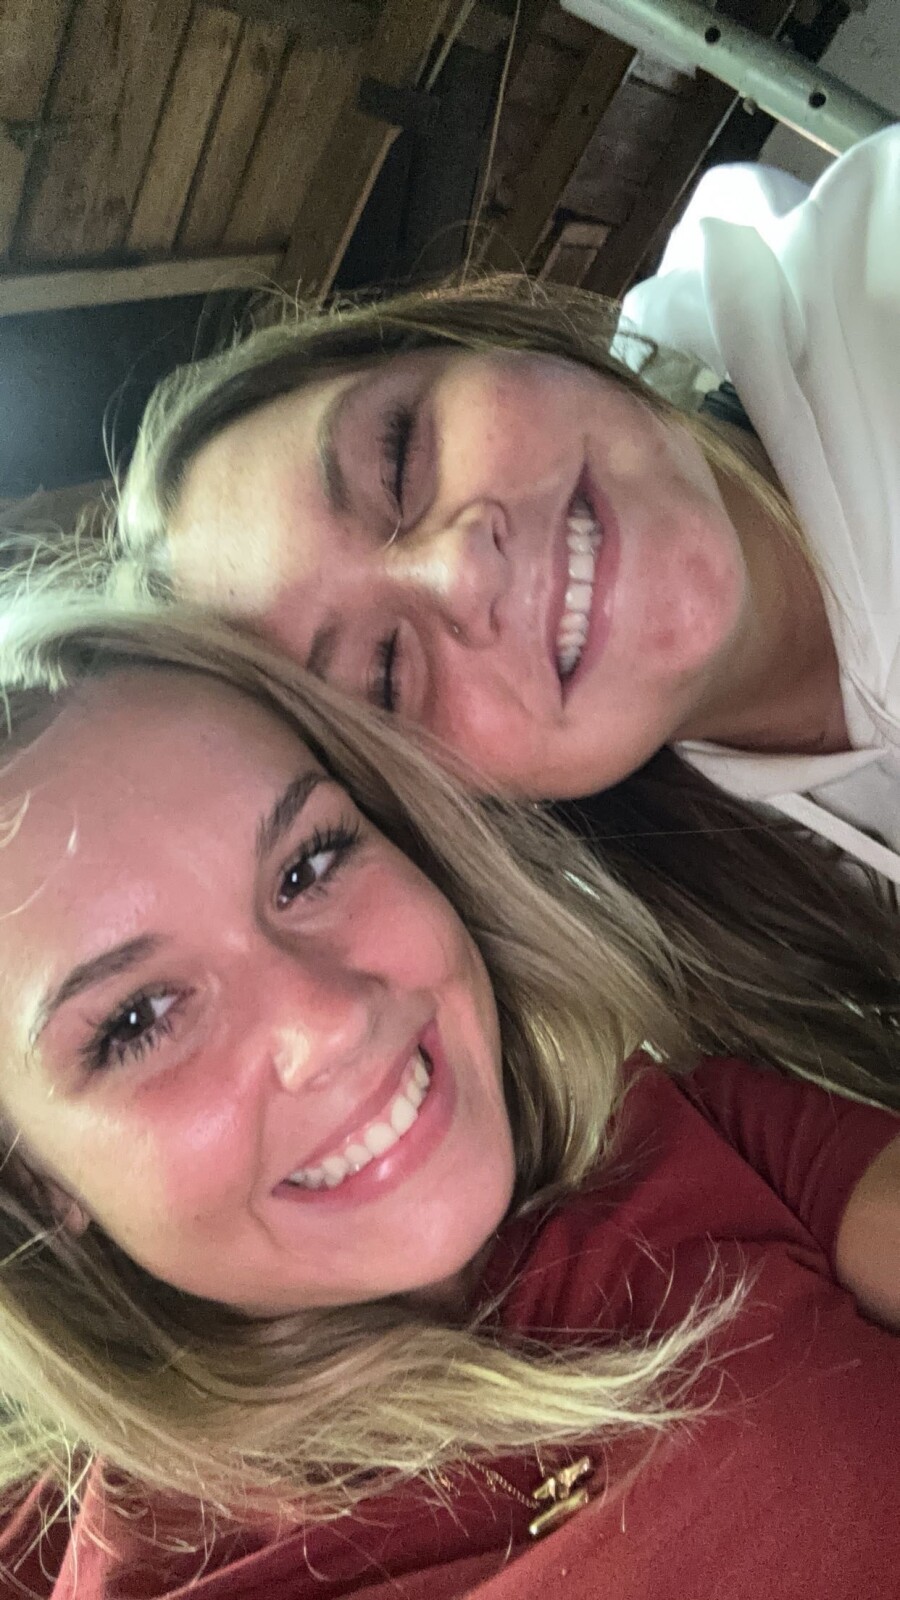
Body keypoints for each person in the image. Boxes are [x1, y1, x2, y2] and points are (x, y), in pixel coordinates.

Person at [0, 594, 896, 1600]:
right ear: (34, 1181)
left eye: (307, 866)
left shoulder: (682, 1129)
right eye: (138, 1019)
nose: (330, 1020)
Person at [101, 124, 900, 1106]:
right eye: (384, 678)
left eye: (398, 456)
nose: (459, 569)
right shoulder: (727, 983)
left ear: (472, 339)